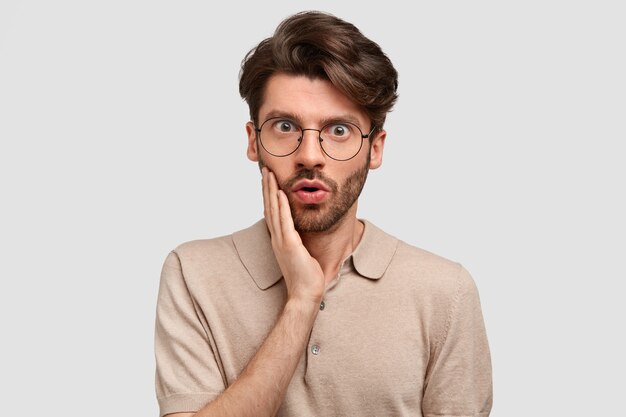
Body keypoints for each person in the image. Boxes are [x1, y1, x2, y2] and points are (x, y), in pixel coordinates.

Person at [154, 10, 492, 417]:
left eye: (338, 130)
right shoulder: (194, 273)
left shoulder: (444, 291)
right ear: (253, 141)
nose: (309, 155)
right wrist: (302, 299)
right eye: (284, 126)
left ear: (376, 148)